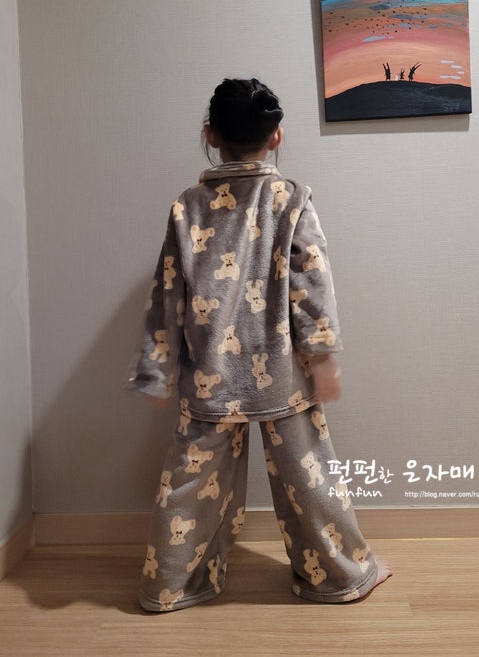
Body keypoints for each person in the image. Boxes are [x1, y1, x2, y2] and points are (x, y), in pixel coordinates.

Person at [127, 77, 392, 612]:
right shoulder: (292, 199)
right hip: (282, 371)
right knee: (308, 478)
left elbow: (167, 293)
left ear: (210, 135)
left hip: (210, 374)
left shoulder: (186, 207)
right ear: (276, 136)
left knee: (189, 485)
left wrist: (157, 370)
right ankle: (336, 576)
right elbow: (311, 285)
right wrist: (322, 358)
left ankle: (169, 587)